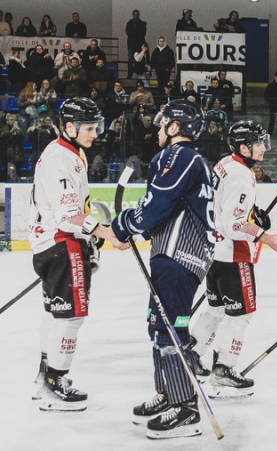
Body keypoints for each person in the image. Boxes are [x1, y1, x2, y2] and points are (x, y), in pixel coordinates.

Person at [111, 100, 214, 438]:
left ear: (174, 129)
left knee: (170, 328)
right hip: (176, 256)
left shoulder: (179, 155)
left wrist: (126, 223)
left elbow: (158, 202)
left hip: (179, 255)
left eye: (162, 125)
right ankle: (168, 393)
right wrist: (134, 223)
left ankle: (185, 408)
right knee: (159, 326)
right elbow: (159, 205)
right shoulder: (187, 160)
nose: (158, 131)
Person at [29, 98, 129, 412]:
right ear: (69, 127)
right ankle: (54, 384)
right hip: (61, 244)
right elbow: (68, 215)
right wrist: (105, 232)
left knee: (54, 313)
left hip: (52, 244)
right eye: (89, 127)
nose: (95, 132)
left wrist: (89, 232)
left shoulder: (70, 152)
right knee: (70, 316)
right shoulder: (61, 158)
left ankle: (45, 378)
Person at [189, 120, 277, 398]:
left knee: (215, 309)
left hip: (214, 252)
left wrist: (253, 212)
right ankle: (224, 370)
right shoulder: (240, 174)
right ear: (244, 147)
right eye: (258, 143)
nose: (264, 148)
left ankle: (194, 352)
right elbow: (233, 224)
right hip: (233, 255)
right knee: (241, 314)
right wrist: (267, 236)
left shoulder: (226, 164)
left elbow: (226, 206)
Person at [125, 10, 147, 79]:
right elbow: (128, 32)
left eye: (137, 14)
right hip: (131, 45)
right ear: (132, 15)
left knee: (139, 60)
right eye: (134, 14)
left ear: (139, 15)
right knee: (130, 60)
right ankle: (129, 75)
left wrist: (134, 33)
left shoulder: (142, 24)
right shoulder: (129, 23)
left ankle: (139, 75)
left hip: (139, 45)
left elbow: (143, 34)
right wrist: (137, 33)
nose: (135, 16)